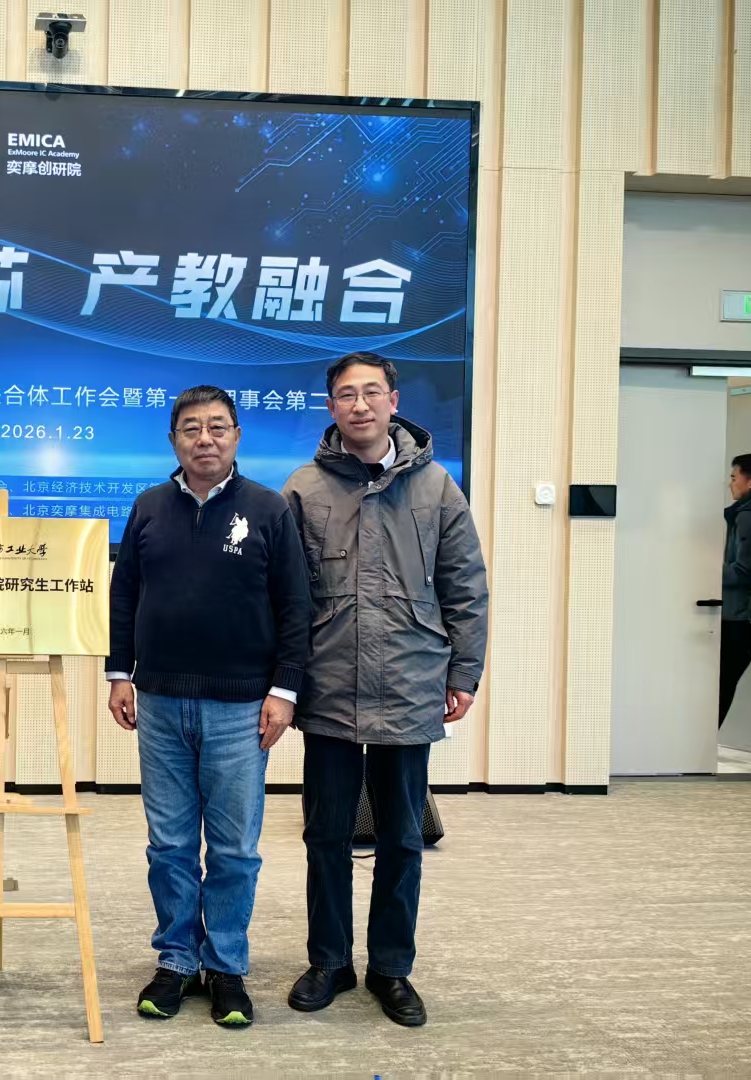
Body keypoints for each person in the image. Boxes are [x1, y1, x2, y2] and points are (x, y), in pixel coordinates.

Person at [282, 352, 487, 1028]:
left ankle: (392, 968)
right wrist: (283, 681)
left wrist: (464, 672)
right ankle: (329, 962)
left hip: (408, 680)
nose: (361, 404)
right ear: (331, 407)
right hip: (329, 682)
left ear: (394, 401)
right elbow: (284, 597)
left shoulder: (437, 487)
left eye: (373, 392)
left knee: (401, 837)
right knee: (326, 835)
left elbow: (465, 586)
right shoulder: (304, 488)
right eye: (347, 394)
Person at [107, 385, 312, 1027]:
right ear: (173, 440)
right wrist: (118, 673)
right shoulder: (148, 507)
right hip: (160, 702)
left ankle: (225, 966)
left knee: (234, 849)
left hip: (241, 708)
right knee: (168, 844)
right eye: (191, 428)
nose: (205, 439)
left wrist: (284, 690)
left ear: (237, 436)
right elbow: (124, 593)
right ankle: (176, 960)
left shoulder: (268, 509)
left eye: (218, 427)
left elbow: (295, 606)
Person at [719, 453, 751, 724]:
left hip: (741, 616)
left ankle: (699, 744)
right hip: (750, 614)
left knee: (720, 685)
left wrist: (705, 573)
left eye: (733, 477)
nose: (730, 483)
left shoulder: (750, 517)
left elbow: (744, 571)